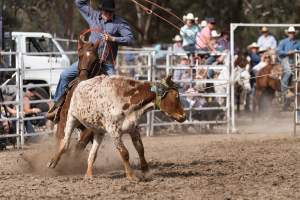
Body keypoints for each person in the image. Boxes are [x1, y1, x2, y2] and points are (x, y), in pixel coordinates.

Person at [48, 0, 134, 118]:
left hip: (106, 63)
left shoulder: (119, 23)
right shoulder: (93, 15)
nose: (108, 14)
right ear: (102, 10)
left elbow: (129, 38)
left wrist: (113, 39)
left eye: (110, 12)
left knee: (114, 87)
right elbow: (79, 2)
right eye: (106, 11)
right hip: (89, 61)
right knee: (64, 75)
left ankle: (118, 116)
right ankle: (57, 107)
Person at [277, 26, 300, 110]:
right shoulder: (283, 42)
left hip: (295, 60)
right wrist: (287, 52)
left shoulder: (298, 42)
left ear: (294, 34)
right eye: (290, 33)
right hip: (285, 59)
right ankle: (285, 90)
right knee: (289, 72)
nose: (292, 34)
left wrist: (296, 52)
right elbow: (278, 51)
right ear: (288, 34)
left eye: (293, 33)